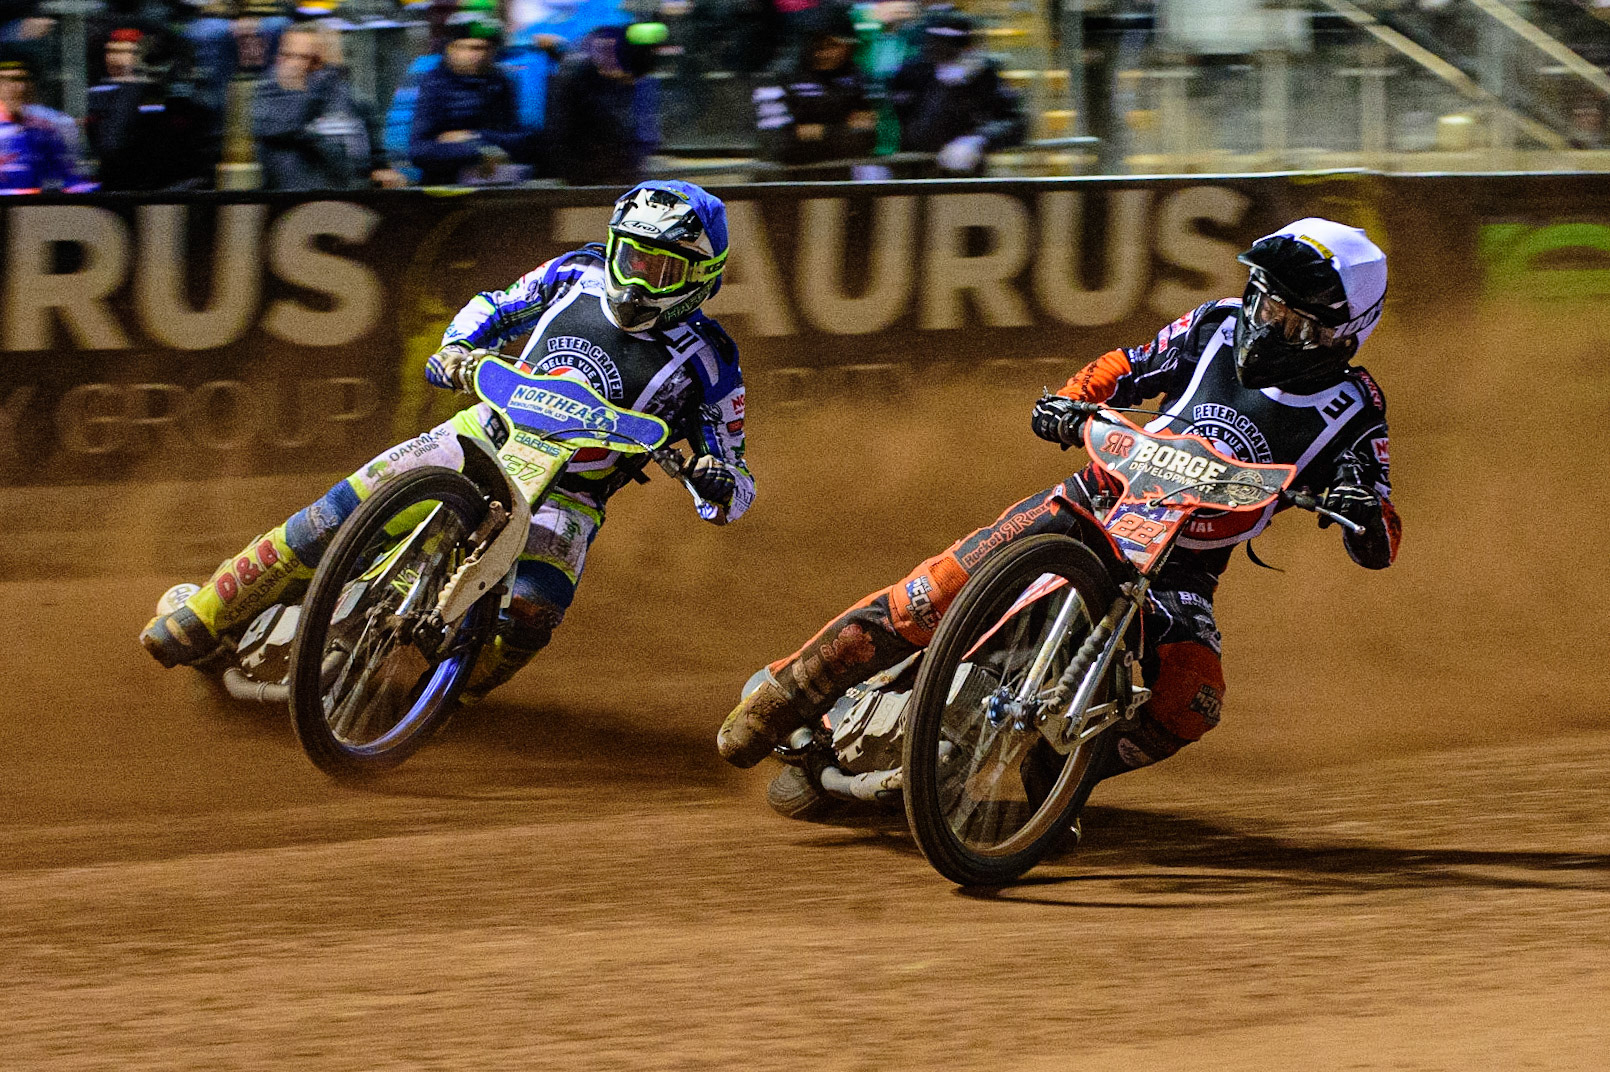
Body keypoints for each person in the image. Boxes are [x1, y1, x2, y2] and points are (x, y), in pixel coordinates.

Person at [718, 218, 1399, 789]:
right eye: (1263, 302)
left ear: (1345, 333)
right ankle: (787, 694)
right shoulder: (1216, 324)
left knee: (1194, 698)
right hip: (1093, 501)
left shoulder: (1355, 409)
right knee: (930, 595)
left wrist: (1362, 510)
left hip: (1183, 573)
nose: (1267, 325)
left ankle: (1061, 772)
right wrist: (1073, 400)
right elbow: (1128, 365)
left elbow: (1384, 532)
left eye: (1293, 321)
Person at [141, 180, 753, 703]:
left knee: (531, 615)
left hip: (569, 497)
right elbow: (494, 306)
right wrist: (457, 349)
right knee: (338, 511)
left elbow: (736, 483)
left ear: (699, 277)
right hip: (478, 437)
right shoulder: (576, 273)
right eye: (633, 256)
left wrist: (715, 481)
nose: (639, 276)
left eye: (662, 267)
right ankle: (204, 614)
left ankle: (438, 695)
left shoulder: (712, 363)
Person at [887, 10, 1024, 176]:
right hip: (912, 174)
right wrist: (946, 88)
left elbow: (1014, 122)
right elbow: (905, 128)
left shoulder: (983, 73)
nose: (940, 55)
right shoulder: (914, 71)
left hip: (963, 176)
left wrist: (978, 139)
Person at [408, 11, 534, 185]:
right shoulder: (434, 84)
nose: (477, 55)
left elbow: (521, 141)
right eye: (467, 47)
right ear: (451, 49)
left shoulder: (501, 82)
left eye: (484, 48)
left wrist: (474, 136)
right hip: (446, 187)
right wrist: (478, 153)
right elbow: (420, 151)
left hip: (498, 185)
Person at [752, 4, 878, 176]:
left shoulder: (853, 76)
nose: (834, 53)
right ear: (812, 43)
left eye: (842, 45)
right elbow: (780, 145)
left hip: (839, 180)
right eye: (826, 44)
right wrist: (841, 130)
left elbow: (866, 139)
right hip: (784, 185)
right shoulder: (780, 76)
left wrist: (816, 132)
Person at [87, 27, 217, 190]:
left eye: (128, 53)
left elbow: (113, 147)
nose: (117, 60)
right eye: (112, 51)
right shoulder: (101, 96)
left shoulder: (185, 106)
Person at [544, 22, 664, 186]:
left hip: (624, 176)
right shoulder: (577, 84)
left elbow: (645, 135)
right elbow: (562, 136)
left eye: (613, 49)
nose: (609, 56)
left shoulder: (636, 83)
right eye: (602, 50)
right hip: (586, 179)